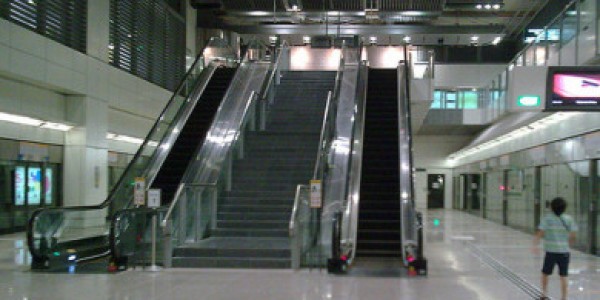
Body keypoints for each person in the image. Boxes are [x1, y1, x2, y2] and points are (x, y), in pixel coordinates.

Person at [533, 197, 577, 300]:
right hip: (564, 252)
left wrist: (535, 244)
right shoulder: (568, 219)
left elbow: (540, 232)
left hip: (551, 251)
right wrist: (569, 243)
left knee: (545, 273)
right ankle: (564, 298)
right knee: (564, 276)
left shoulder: (547, 219)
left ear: (552, 208)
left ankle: (543, 294)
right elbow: (573, 234)